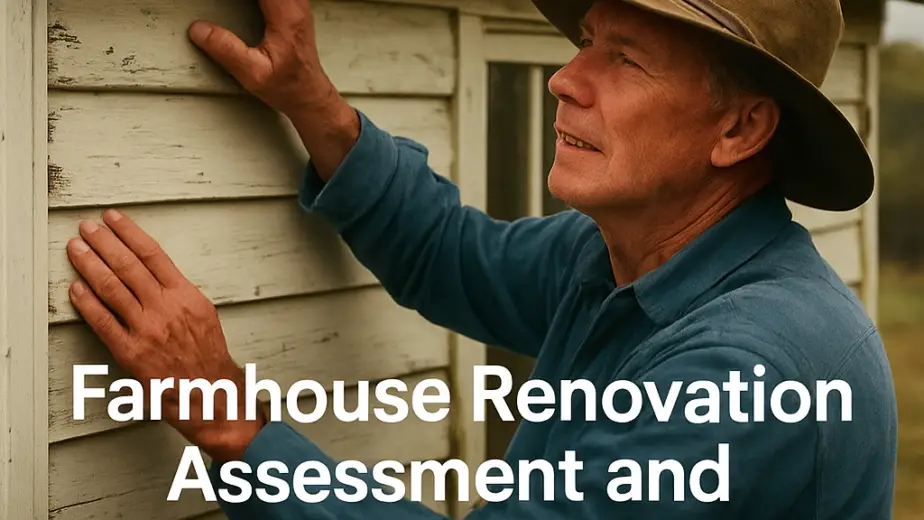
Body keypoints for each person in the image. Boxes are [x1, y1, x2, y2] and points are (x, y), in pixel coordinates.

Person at [63, 0, 898, 518]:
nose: (565, 79)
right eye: (585, 42)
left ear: (740, 131)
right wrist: (310, 100)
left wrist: (228, 421)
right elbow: (451, 256)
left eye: (624, 58)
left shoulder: (743, 372)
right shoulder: (623, 258)